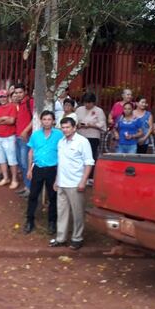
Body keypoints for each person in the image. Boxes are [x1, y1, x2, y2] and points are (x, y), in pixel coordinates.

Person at [50, 117, 94, 249]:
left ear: (74, 128)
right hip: (62, 182)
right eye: (63, 127)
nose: (65, 130)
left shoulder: (82, 142)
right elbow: (61, 163)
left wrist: (83, 181)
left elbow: (89, 163)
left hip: (76, 183)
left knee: (78, 213)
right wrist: (57, 180)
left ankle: (77, 238)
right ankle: (61, 238)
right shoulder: (61, 142)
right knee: (62, 212)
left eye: (68, 127)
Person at [25, 111, 63, 235]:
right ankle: (29, 220)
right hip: (38, 168)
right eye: (44, 119)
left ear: (53, 121)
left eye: (49, 119)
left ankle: (52, 222)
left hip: (52, 169)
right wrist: (29, 169)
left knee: (53, 196)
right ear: (41, 121)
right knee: (33, 195)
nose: (47, 122)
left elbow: (62, 152)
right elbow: (31, 152)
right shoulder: (35, 135)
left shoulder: (59, 135)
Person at [0, 89, 20, 189]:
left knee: (12, 159)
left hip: (9, 136)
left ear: (8, 97)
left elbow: (11, 121)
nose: (2, 99)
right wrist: (3, 118)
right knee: (1, 159)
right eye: (1, 97)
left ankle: (14, 180)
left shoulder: (12, 106)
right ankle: (5, 177)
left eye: (4, 97)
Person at [75, 93, 106, 182]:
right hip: (80, 135)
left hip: (93, 136)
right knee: (79, 155)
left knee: (91, 156)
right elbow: (74, 121)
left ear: (93, 102)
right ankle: (79, 174)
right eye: (85, 102)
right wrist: (78, 124)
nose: (87, 104)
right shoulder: (79, 109)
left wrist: (92, 125)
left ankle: (90, 176)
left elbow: (102, 124)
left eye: (89, 103)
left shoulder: (99, 111)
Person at [13, 83, 34, 197]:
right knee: (21, 163)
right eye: (16, 93)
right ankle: (26, 186)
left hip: (26, 137)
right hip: (17, 137)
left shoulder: (30, 102)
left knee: (26, 164)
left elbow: (35, 118)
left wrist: (26, 131)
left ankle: (30, 189)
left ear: (25, 92)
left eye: (20, 92)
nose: (18, 94)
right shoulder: (18, 104)